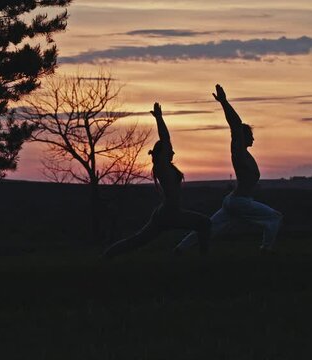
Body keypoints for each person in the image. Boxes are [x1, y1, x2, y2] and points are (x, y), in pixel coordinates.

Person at [174, 84, 282, 254]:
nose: (253, 138)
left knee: (210, 228)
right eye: (251, 135)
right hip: (240, 202)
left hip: (235, 201)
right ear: (243, 137)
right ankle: (266, 249)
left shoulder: (244, 154)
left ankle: (180, 248)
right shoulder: (238, 152)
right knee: (275, 217)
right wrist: (224, 102)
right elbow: (235, 125)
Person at [102, 103, 210, 258]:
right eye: (169, 150)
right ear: (163, 153)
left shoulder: (167, 167)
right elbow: (165, 138)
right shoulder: (162, 167)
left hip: (169, 212)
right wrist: (159, 118)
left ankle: (106, 256)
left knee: (203, 224)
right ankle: (106, 255)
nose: (173, 152)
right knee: (204, 223)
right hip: (167, 214)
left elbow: (166, 143)